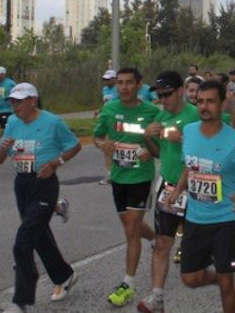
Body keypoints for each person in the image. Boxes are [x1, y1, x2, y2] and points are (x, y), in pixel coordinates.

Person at [0, 83, 81, 313]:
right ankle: (64, 274)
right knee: (38, 236)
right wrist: (3, 149)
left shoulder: (53, 122)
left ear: (33, 100)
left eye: (19, 101)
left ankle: (21, 301)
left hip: (44, 184)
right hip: (22, 184)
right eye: (12, 101)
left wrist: (55, 163)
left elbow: (74, 146)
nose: (14, 105)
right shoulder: (12, 123)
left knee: (23, 243)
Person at [166, 80, 235, 313]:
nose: (204, 106)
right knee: (190, 277)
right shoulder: (189, 132)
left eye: (210, 101)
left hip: (226, 220)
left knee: (227, 285)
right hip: (195, 219)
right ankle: (222, 279)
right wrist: (178, 189)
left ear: (221, 104)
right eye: (200, 102)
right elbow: (190, 166)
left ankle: (227, 282)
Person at [93, 67, 161, 307]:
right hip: (119, 177)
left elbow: (160, 150)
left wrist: (148, 147)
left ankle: (128, 284)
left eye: (129, 83)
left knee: (131, 230)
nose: (123, 87)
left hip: (141, 177)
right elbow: (97, 137)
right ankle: (156, 239)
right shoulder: (110, 109)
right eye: (120, 83)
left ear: (139, 85)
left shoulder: (151, 111)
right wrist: (104, 145)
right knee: (130, 225)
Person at [137, 71, 201, 313]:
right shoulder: (159, 116)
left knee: (201, 247)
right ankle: (157, 297)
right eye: (159, 95)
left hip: (195, 189)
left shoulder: (195, 116)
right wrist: (148, 137)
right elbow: (157, 153)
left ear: (181, 92)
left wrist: (183, 139)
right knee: (162, 242)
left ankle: (227, 284)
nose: (163, 100)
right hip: (168, 186)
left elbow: (200, 155)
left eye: (167, 94)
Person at [96, 69, 119, 185]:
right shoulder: (105, 90)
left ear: (115, 79)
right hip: (106, 119)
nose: (106, 82)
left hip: (118, 120)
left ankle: (121, 172)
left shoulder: (119, 89)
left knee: (120, 146)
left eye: (109, 79)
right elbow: (106, 104)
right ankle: (110, 174)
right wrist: (99, 111)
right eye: (105, 79)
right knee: (107, 147)